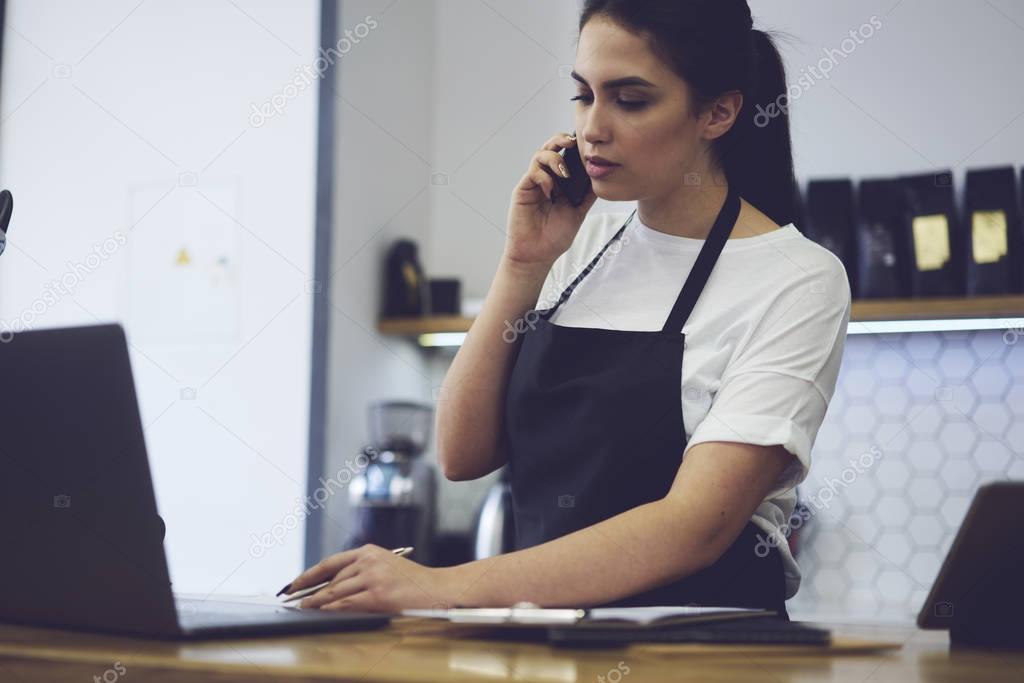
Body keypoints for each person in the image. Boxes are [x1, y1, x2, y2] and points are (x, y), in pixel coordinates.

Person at [281, 0, 851, 618]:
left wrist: (440, 586)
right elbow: (461, 453)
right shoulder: (577, 241)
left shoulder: (797, 279)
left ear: (718, 112)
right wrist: (521, 264)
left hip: (702, 653)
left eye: (630, 100)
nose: (593, 128)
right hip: (550, 639)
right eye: (583, 95)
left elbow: (693, 528)